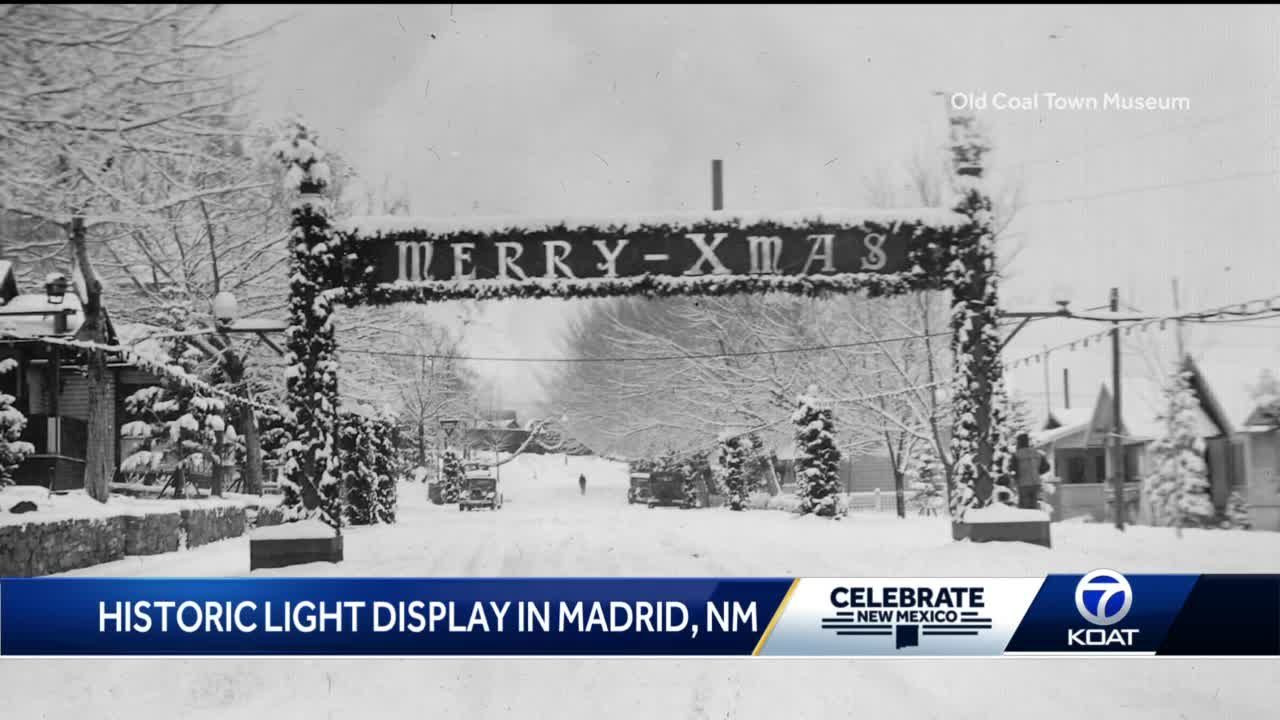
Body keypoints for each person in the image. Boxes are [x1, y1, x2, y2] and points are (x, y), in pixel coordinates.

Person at [1012, 432, 1050, 510]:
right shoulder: (1037, 453)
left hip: (1023, 484)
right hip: (1036, 483)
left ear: (1019, 442)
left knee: (1024, 508)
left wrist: (1016, 478)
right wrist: (1037, 472)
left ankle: (1026, 521)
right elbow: (1046, 467)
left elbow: (1013, 469)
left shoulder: (1016, 454)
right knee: (1034, 505)